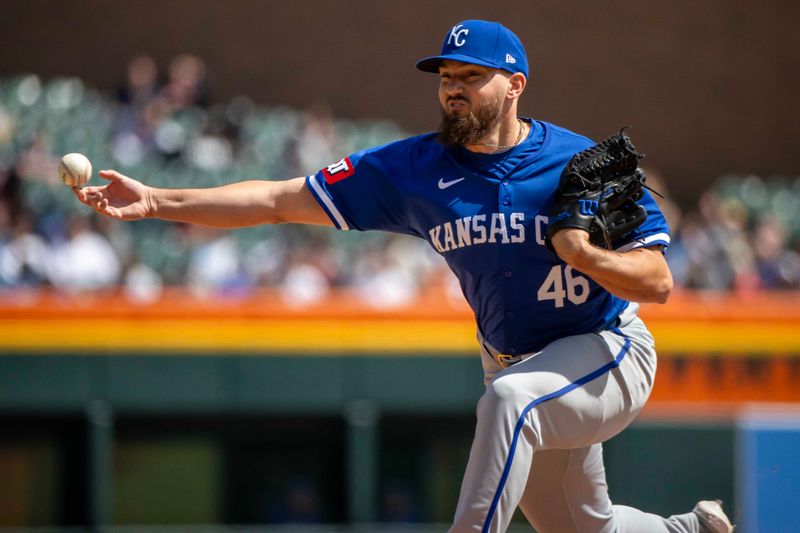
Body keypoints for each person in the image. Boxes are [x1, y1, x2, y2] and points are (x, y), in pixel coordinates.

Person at [73, 19, 734, 533]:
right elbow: (279, 198)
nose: (453, 86)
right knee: (583, 522)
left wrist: (588, 256)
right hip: (515, 364)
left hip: (608, 351)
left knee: (509, 403)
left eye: (472, 75)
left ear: (515, 86)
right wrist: (161, 201)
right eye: (446, 73)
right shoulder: (415, 169)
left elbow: (658, 281)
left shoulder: (579, 162)